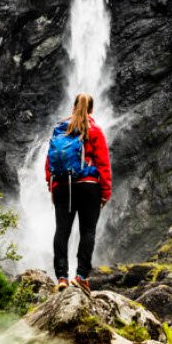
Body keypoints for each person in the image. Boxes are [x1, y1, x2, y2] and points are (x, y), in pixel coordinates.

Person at [45, 92, 111, 291]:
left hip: (63, 186)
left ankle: (62, 278)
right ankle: (81, 276)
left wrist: (52, 185)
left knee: (61, 232)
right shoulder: (96, 131)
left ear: (73, 107)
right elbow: (103, 164)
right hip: (89, 187)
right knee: (88, 231)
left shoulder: (60, 129)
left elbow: (49, 161)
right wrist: (106, 191)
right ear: (91, 109)